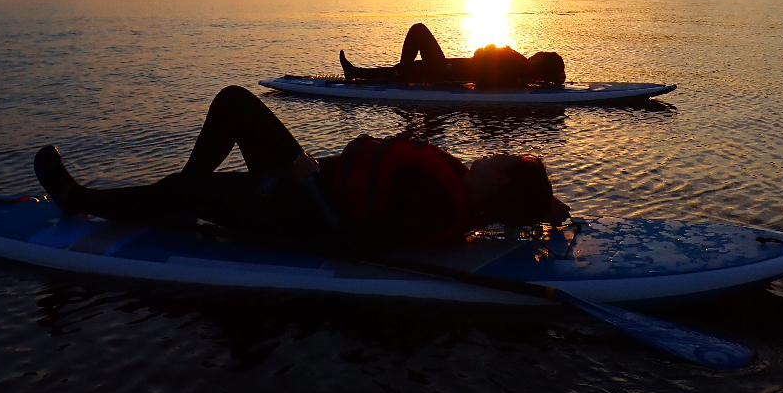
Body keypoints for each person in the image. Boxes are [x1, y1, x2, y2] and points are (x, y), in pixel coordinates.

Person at [34, 85, 569, 249]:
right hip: (306, 182)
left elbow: (352, 239)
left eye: (499, 157)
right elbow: (532, 200)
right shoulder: (458, 187)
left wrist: (309, 185)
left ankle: (78, 199)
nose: (490, 152)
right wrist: (549, 207)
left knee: (183, 188)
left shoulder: (436, 207)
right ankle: (185, 194)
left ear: (498, 180)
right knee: (234, 102)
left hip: (297, 211)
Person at [339, 22, 566, 88]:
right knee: (413, 68)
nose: (537, 53)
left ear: (542, 60)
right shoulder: (521, 68)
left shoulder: (521, 67)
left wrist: (488, 49)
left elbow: (487, 70)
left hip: (449, 72)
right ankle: (357, 73)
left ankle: (398, 75)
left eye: (542, 54)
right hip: (450, 69)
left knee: (418, 30)